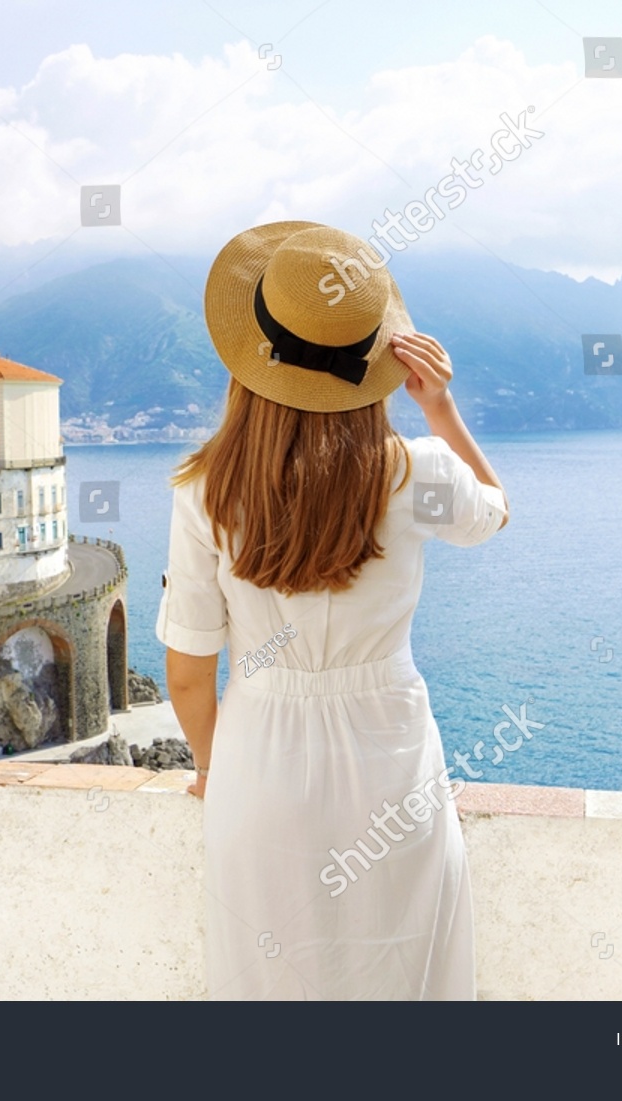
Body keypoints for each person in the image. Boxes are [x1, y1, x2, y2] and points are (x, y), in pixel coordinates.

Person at [156, 221, 509, 1000]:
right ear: (374, 365)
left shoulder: (203, 492)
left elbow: (186, 675)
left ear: (252, 358)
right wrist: (442, 409)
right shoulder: (416, 472)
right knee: (402, 974)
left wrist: (215, 769)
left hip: (259, 769)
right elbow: (496, 511)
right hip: (392, 762)